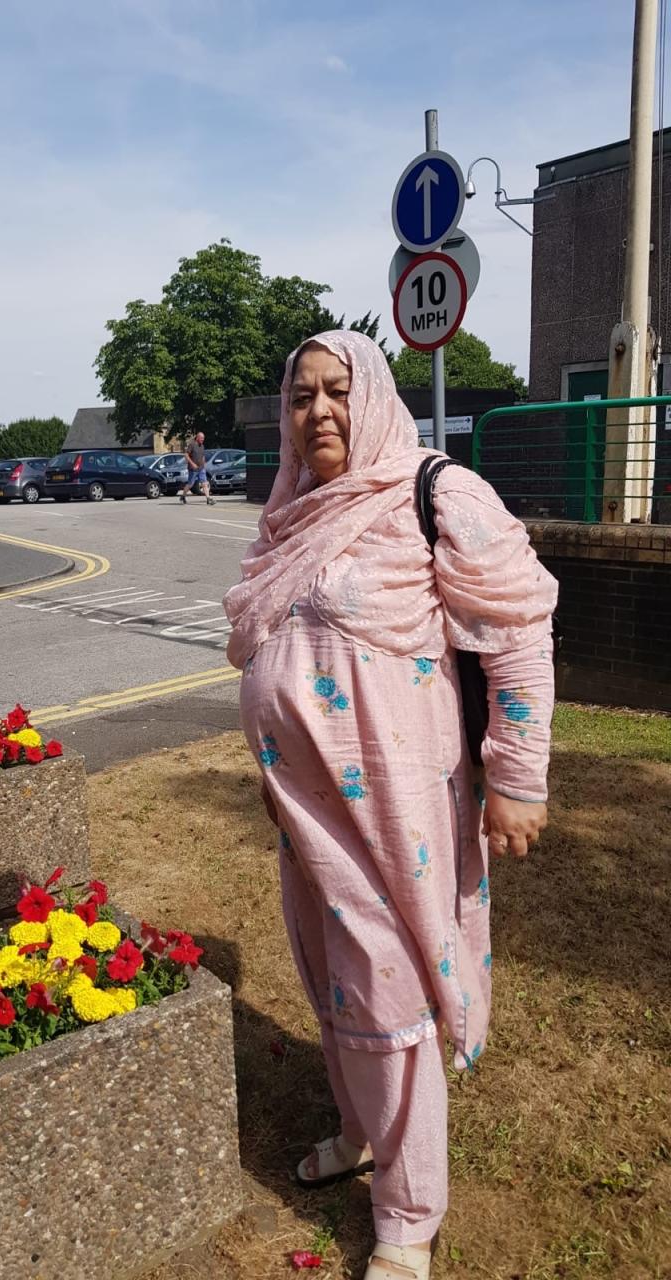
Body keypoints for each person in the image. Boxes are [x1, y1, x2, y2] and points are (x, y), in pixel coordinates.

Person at [223, 331, 557, 1280]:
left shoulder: (433, 491)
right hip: (307, 811)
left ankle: (408, 1218)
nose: (317, 411)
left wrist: (520, 777)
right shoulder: (295, 509)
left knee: (386, 991)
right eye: (299, 397)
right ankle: (359, 1129)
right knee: (332, 978)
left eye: (336, 391)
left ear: (369, 396)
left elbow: (519, 630)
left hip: (398, 810)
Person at [178, 431, 215, 505]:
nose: (202, 439)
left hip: (201, 468)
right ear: (197, 437)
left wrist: (204, 464)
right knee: (190, 484)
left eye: (203, 438)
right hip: (193, 469)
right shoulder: (192, 444)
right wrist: (192, 464)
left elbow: (203, 456)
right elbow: (186, 455)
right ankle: (183, 496)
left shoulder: (202, 446)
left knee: (204, 483)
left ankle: (208, 499)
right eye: (201, 438)